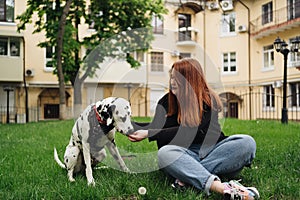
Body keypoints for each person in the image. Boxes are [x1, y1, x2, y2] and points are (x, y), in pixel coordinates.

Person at [128, 58, 259, 200]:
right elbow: (154, 127)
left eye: (177, 77)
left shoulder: (208, 99)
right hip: (182, 154)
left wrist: (148, 133)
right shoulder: (165, 102)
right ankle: (222, 188)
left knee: (247, 142)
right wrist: (121, 123)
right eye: (171, 76)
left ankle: (186, 178)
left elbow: (190, 131)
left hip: (214, 152)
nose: (172, 81)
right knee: (165, 153)